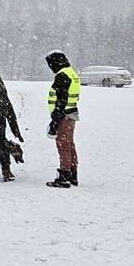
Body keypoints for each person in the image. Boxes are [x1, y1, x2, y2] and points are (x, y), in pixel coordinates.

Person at [44, 51, 80, 188]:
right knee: (69, 144)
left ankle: (64, 176)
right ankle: (73, 173)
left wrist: (55, 121)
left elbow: (61, 100)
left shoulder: (62, 75)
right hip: (71, 114)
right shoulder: (71, 73)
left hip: (63, 115)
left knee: (63, 145)